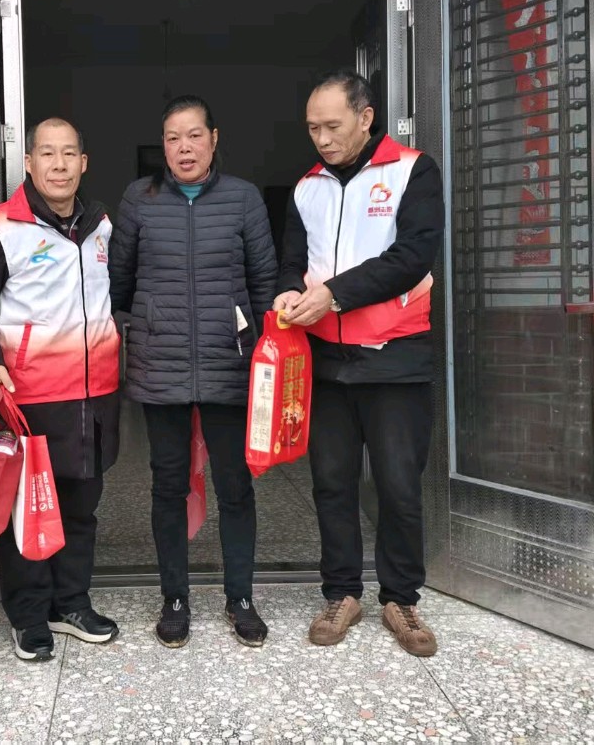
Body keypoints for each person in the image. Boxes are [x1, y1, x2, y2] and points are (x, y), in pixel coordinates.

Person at [275, 70, 444, 656]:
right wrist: (287, 290)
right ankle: (342, 593)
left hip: (395, 358)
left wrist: (335, 294)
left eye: (332, 126)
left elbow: (412, 256)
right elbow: (291, 260)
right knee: (331, 483)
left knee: (398, 485)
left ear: (366, 118)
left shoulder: (412, 171)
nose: (321, 139)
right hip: (326, 361)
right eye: (312, 128)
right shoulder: (307, 187)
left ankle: (401, 599)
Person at [110, 95, 278, 648]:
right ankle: (175, 599)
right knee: (168, 486)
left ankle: (241, 598)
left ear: (213, 138)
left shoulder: (244, 198)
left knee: (236, 487)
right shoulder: (139, 198)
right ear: (163, 146)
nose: (184, 148)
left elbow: (264, 280)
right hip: (161, 365)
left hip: (230, 363)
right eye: (173, 138)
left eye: (194, 135)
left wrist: (264, 351)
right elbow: (119, 281)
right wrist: (141, 326)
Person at [0, 117, 121, 661]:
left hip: (95, 394)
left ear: (83, 163)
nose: (58, 164)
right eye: (47, 153)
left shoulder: (102, 226)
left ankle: (71, 603)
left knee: (81, 508)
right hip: (29, 397)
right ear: (28, 163)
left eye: (68, 153)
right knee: (28, 510)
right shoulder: (0, 227)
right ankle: (29, 617)